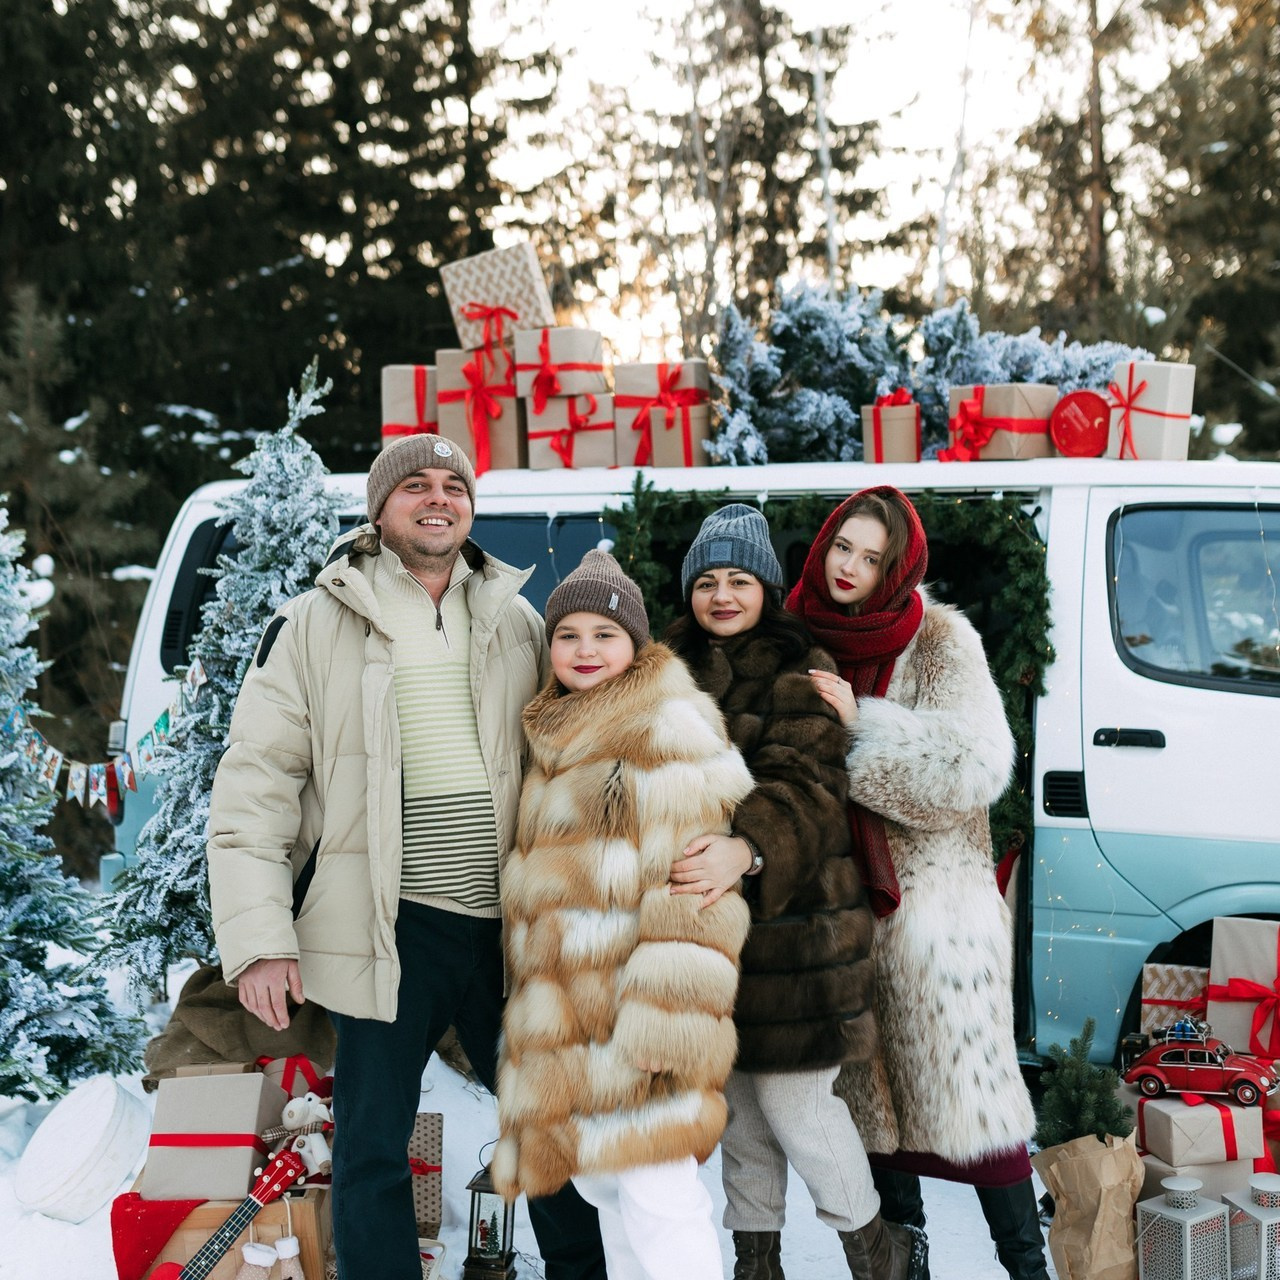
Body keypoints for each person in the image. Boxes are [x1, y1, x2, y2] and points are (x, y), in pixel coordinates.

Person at [206, 435, 606, 1280]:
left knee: (551, 1133)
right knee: (372, 1150)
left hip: (505, 931)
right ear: (380, 509)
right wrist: (259, 939)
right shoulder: (317, 623)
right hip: (391, 929)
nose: (438, 498)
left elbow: (589, 742)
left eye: (453, 485)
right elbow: (255, 787)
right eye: (415, 485)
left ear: (470, 505)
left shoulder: (515, 617)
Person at [787, 485, 1050, 1280]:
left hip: (935, 918)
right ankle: (908, 1263)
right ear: (825, 542)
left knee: (980, 1126)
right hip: (841, 912)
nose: (852, 568)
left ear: (897, 567)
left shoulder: (939, 639)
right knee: (878, 1123)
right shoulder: (792, 634)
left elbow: (972, 767)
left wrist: (857, 725)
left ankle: (1027, 1269)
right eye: (844, 548)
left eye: (872, 557)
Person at [666, 504, 928, 1280]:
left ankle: (880, 1253)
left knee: (800, 1110)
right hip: (707, 936)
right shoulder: (663, 670)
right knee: (742, 1118)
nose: (721, 595)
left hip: (794, 935)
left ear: (766, 589)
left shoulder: (798, 668)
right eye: (706, 580)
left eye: (738, 580)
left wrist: (747, 846)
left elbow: (811, 788)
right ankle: (757, 1263)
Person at [493, 549, 753, 1280]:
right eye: (568, 634)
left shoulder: (660, 729)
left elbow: (692, 890)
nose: (584, 650)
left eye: (604, 634)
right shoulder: (559, 732)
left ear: (637, 646)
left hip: (640, 1021)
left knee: (659, 1200)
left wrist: (663, 1019)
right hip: (580, 1025)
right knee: (610, 1194)